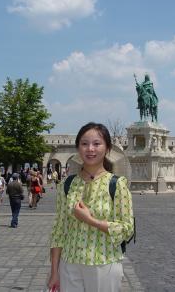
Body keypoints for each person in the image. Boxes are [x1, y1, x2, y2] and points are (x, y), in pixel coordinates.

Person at [48, 122, 134, 292]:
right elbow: (58, 230)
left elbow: (126, 229)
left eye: (97, 144)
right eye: (84, 144)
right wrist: (54, 271)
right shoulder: (67, 184)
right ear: (78, 148)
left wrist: (90, 220)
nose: (90, 149)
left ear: (107, 148)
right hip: (70, 263)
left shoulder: (117, 184)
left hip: (104, 263)